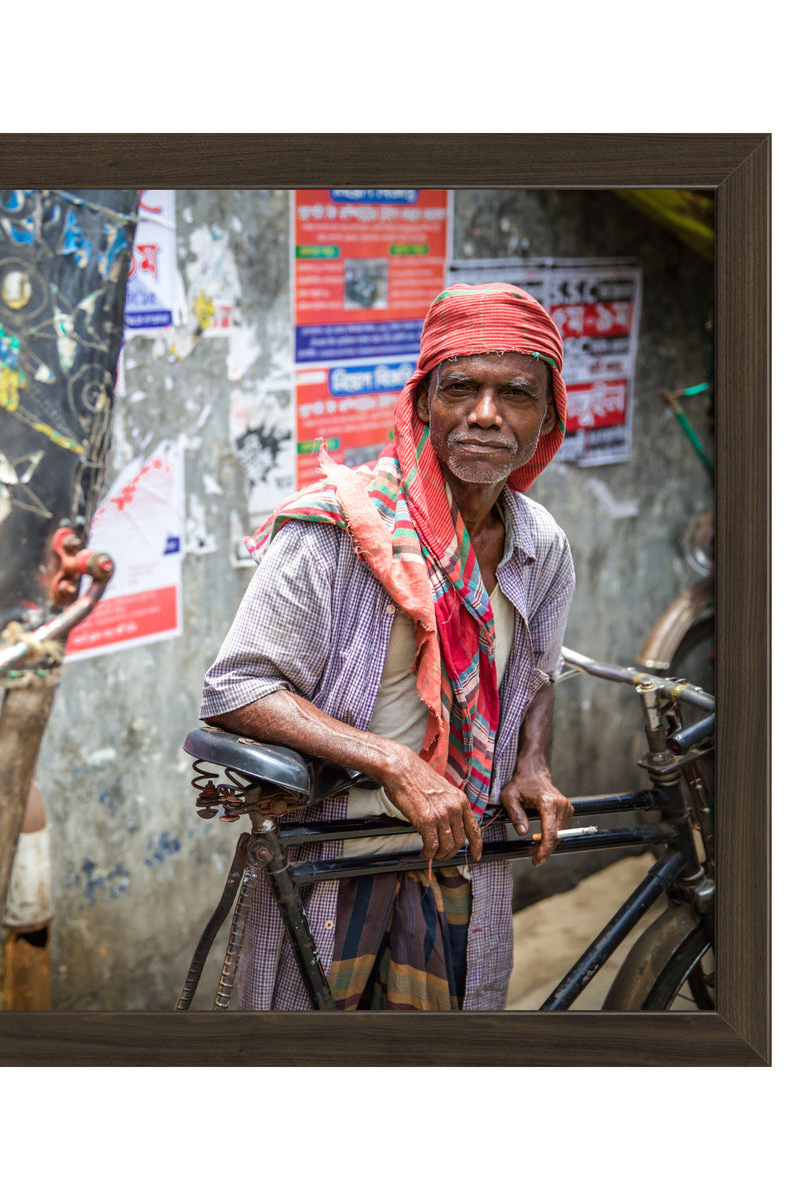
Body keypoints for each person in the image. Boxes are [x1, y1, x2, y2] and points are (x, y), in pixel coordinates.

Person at [200, 282, 576, 1011]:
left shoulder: (540, 544)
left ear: (549, 417)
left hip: (460, 854)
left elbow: (537, 670)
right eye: (461, 388)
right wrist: (396, 763)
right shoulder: (338, 531)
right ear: (423, 403)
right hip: (337, 860)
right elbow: (237, 689)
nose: (486, 414)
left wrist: (532, 762)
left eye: (516, 394)